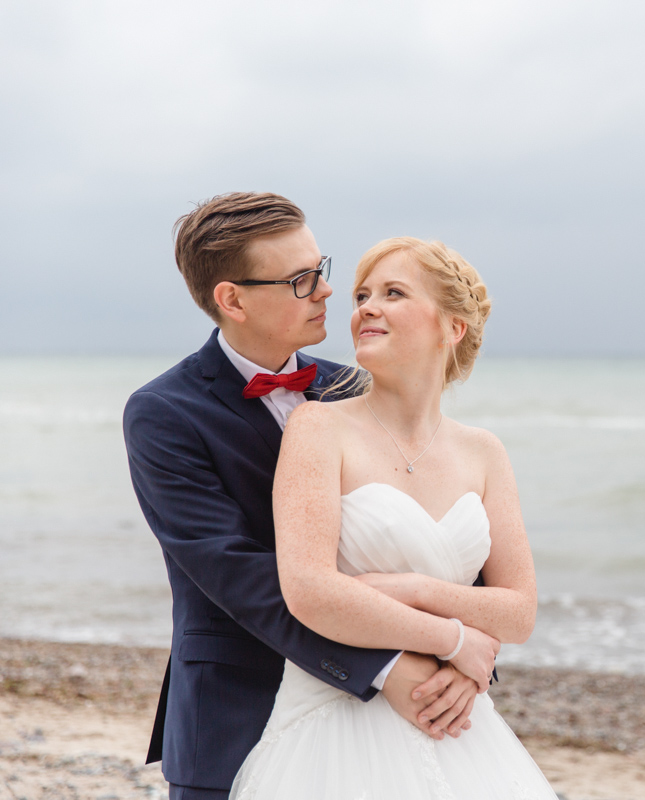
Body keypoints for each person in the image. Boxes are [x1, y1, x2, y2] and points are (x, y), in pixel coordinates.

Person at [124, 194, 480, 800]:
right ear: (231, 299)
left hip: (393, 725)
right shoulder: (163, 414)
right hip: (239, 716)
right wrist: (391, 666)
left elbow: (433, 520)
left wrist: (467, 661)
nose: (325, 292)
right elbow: (238, 574)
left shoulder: (357, 385)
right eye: (300, 280)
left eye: (322, 269)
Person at [228, 237, 558, 798]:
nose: (364, 308)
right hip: (334, 725)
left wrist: (412, 589)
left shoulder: (484, 452)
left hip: (455, 721)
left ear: (451, 327)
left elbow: (519, 612)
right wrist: (454, 640)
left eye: (393, 293)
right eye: (362, 295)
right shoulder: (317, 428)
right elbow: (309, 591)